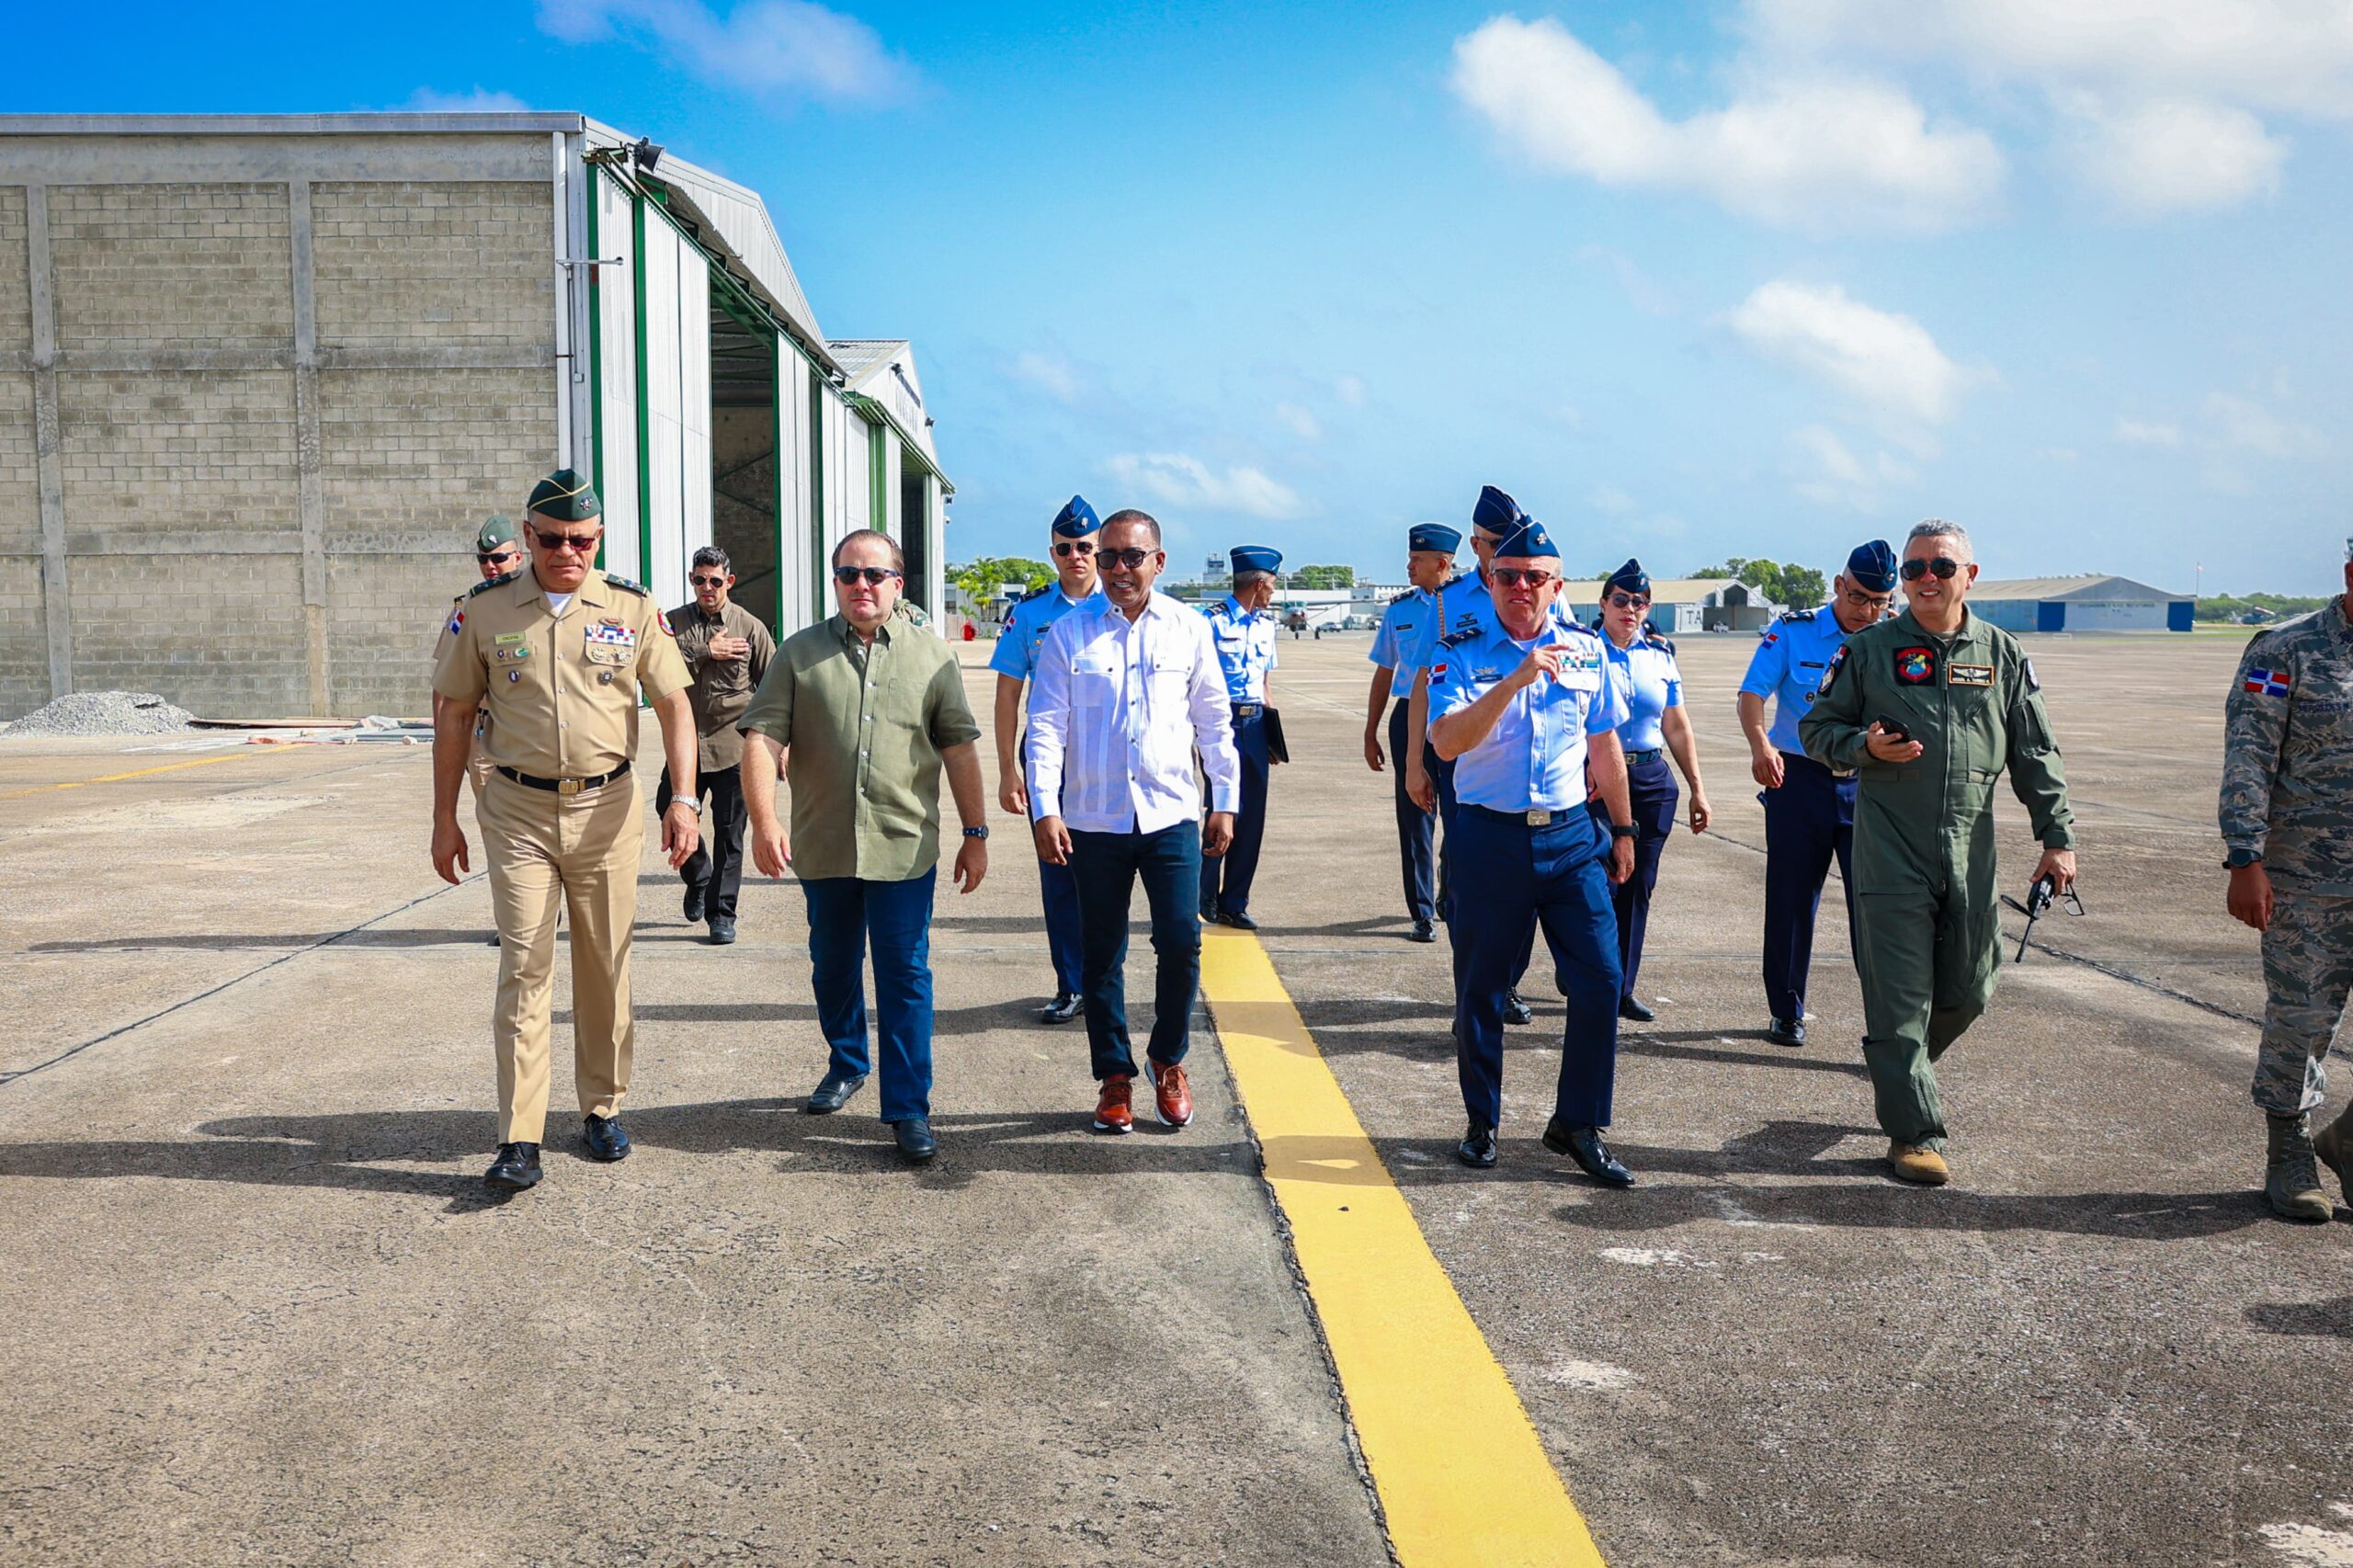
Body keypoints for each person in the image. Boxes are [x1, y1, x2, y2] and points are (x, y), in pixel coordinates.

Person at [429, 469, 701, 1192]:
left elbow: (675, 704)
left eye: (581, 540)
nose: (567, 552)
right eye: (551, 539)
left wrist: (686, 799)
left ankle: (602, 1106)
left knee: (605, 965)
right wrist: (442, 818)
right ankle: (520, 1135)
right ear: (527, 538)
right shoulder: (484, 612)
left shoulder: (632, 607)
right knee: (524, 968)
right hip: (516, 811)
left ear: (598, 537)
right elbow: (454, 712)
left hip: (607, 812)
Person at [1799, 519, 2075, 1187]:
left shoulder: (2002, 654)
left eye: (1941, 568)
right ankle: (1913, 1131)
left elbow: (2035, 752)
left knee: (1973, 986)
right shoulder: (1869, 651)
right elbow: (1816, 728)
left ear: (1969, 577)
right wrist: (1865, 747)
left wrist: (2058, 838)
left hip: (1971, 847)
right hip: (1891, 849)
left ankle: (1903, 1070)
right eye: (1914, 568)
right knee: (1897, 1001)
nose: (1926, 579)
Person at [739, 528, 988, 1164]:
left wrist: (975, 833)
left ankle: (909, 1107)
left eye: (875, 575)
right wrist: (765, 823)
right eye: (848, 574)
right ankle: (848, 1062)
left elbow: (959, 747)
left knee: (905, 975)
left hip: (903, 849)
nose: (861, 586)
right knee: (833, 966)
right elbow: (762, 740)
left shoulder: (933, 657)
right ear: (835, 583)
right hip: (824, 846)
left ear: (898, 584)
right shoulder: (799, 656)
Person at [1427, 517, 1636, 1182]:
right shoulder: (1457, 654)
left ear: (1557, 586)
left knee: (1602, 978)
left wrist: (1624, 829)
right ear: (1490, 581)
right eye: (1509, 576)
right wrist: (1514, 680)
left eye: (1535, 578)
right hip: (1489, 837)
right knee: (1482, 989)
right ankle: (1482, 1121)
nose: (1521, 588)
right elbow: (1447, 742)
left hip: (1572, 836)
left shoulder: (1586, 651)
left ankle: (1577, 1122)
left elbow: (1603, 742)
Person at [1026, 509, 1240, 1135]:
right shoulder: (1070, 633)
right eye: (1110, 555)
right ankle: (1114, 1077)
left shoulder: (1189, 628)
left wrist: (1224, 798)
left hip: (1171, 813)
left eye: (1132, 557)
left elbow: (1214, 721)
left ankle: (1168, 1060)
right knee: (1101, 954)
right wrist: (1046, 807)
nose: (1119, 569)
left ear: (1158, 562)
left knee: (1181, 942)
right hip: (1093, 819)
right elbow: (1045, 727)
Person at [2221, 539, 2353, 1221]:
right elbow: (2249, 757)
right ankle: (2291, 1149)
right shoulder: (2287, 652)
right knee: (2302, 1021)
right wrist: (2245, 857)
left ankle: (2350, 1142)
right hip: (2308, 879)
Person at [1736, 540, 1899, 1046]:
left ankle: (1888, 1020)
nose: (1867, 610)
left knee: (1875, 908)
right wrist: (1761, 745)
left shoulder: (1893, 638)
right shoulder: (1794, 631)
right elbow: (1751, 694)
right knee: (1790, 900)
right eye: (1859, 598)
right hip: (1798, 779)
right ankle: (1787, 1010)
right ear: (1838, 585)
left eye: (1879, 601)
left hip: (1870, 785)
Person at [1407, 484, 1555, 1026]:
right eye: (1497, 543)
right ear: (1476, 546)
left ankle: (1509, 981)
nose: (1509, 552)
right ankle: (1475, 983)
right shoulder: (1449, 602)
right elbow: (1425, 681)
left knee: (1533, 873)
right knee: (1470, 870)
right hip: (1463, 749)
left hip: (1529, 758)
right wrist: (1414, 762)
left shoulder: (1538, 587)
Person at [990, 495, 1103, 1024]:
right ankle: (1071, 983)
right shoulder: (1030, 614)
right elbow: (1008, 694)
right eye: (1066, 548)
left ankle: (1106, 978)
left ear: (1099, 549)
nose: (1076, 556)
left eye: (1085, 547)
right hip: (1048, 757)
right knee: (1059, 872)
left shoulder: (1123, 605)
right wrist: (1008, 771)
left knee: (1109, 872)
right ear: (1052, 554)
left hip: (1108, 757)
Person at [1589, 560, 1711, 1021]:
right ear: (1603, 604)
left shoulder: (1660, 657)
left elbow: (1676, 726)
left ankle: (1621, 988)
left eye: (1639, 602)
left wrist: (1697, 788)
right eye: (1620, 600)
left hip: (1652, 779)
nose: (1630, 609)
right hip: (1596, 781)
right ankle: (1586, 969)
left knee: (1638, 886)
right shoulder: (1585, 651)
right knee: (1597, 886)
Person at [656, 545, 775, 947]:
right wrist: (706, 652)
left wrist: (781, 746)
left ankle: (721, 913)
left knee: (730, 834)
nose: (707, 588)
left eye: (715, 581)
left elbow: (773, 691)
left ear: (730, 582)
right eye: (699, 580)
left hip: (731, 746)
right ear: (692, 579)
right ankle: (699, 877)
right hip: (685, 747)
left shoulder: (750, 627)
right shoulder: (672, 624)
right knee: (667, 812)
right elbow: (656, 673)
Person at [1363, 523, 1461, 943]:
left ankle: (1451, 894)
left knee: (1461, 815)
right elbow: (1385, 673)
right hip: (1408, 718)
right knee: (1415, 819)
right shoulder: (1399, 611)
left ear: (1442, 563)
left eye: (1417, 560)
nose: (1409, 566)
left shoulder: (1467, 604)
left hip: (1456, 717)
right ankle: (1422, 912)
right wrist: (1371, 731)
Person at [1199, 544, 1283, 929]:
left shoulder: (1266, 626)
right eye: (1272, 585)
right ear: (1260, 583)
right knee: (1220, 808)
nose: (1273, 592)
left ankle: (1235, 900)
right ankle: (1204, 897)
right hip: (1220, 722)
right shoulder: (1211, 623)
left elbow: (1264, 684)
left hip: (1253, 723)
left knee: (1252, 816)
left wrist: (1271, 734)